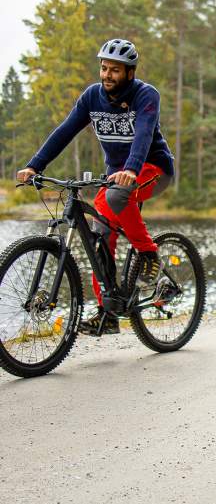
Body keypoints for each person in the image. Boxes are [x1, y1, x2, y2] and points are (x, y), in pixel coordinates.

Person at [16, 38, 174, 335]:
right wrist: (35, 165)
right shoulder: (92, 97)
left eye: (115, 70)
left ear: (129, 72)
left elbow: (143, 134)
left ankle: (149, 254)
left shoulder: (146, 95)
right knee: (99, 239)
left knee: (114, 198)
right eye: (104, 68)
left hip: (152, 169)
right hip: (116, 175)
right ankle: (108, 313)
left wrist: (131, 168)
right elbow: (65, 131)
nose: (107, 75)